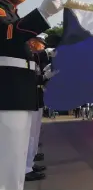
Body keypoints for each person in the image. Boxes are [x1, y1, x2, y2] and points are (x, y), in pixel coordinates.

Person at [0, 0, 64, 190]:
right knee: (6, 165)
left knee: (14, 164)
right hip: (7, 95)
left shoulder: (11, 13)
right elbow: (7, 34)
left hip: (19, 95)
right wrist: (43, 13)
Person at [25, 34, 58, 182]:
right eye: (41, 44)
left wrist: (45, 76)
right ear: (32, 43)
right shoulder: (28, 57)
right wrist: (45, 77)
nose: (43, 46)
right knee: (29, 136)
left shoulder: (35, 59)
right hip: (30, 98)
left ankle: (29, 164)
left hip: (36, 98)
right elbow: (30, 78)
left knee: (34, 135)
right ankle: (26, 168)